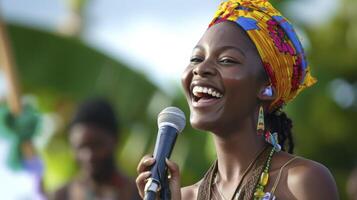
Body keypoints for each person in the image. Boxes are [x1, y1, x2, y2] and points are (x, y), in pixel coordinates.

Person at [136, 0, 339, 199]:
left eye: (226, 60)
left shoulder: (302, 182)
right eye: (196, 59)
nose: (200, 69)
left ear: (267, 87)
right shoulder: (184, 196)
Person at [53, 98, 140, 200]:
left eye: (97, 145)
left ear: (115, 140)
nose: (89, 156)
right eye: (81, 147)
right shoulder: (61, 195)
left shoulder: (140, 193)